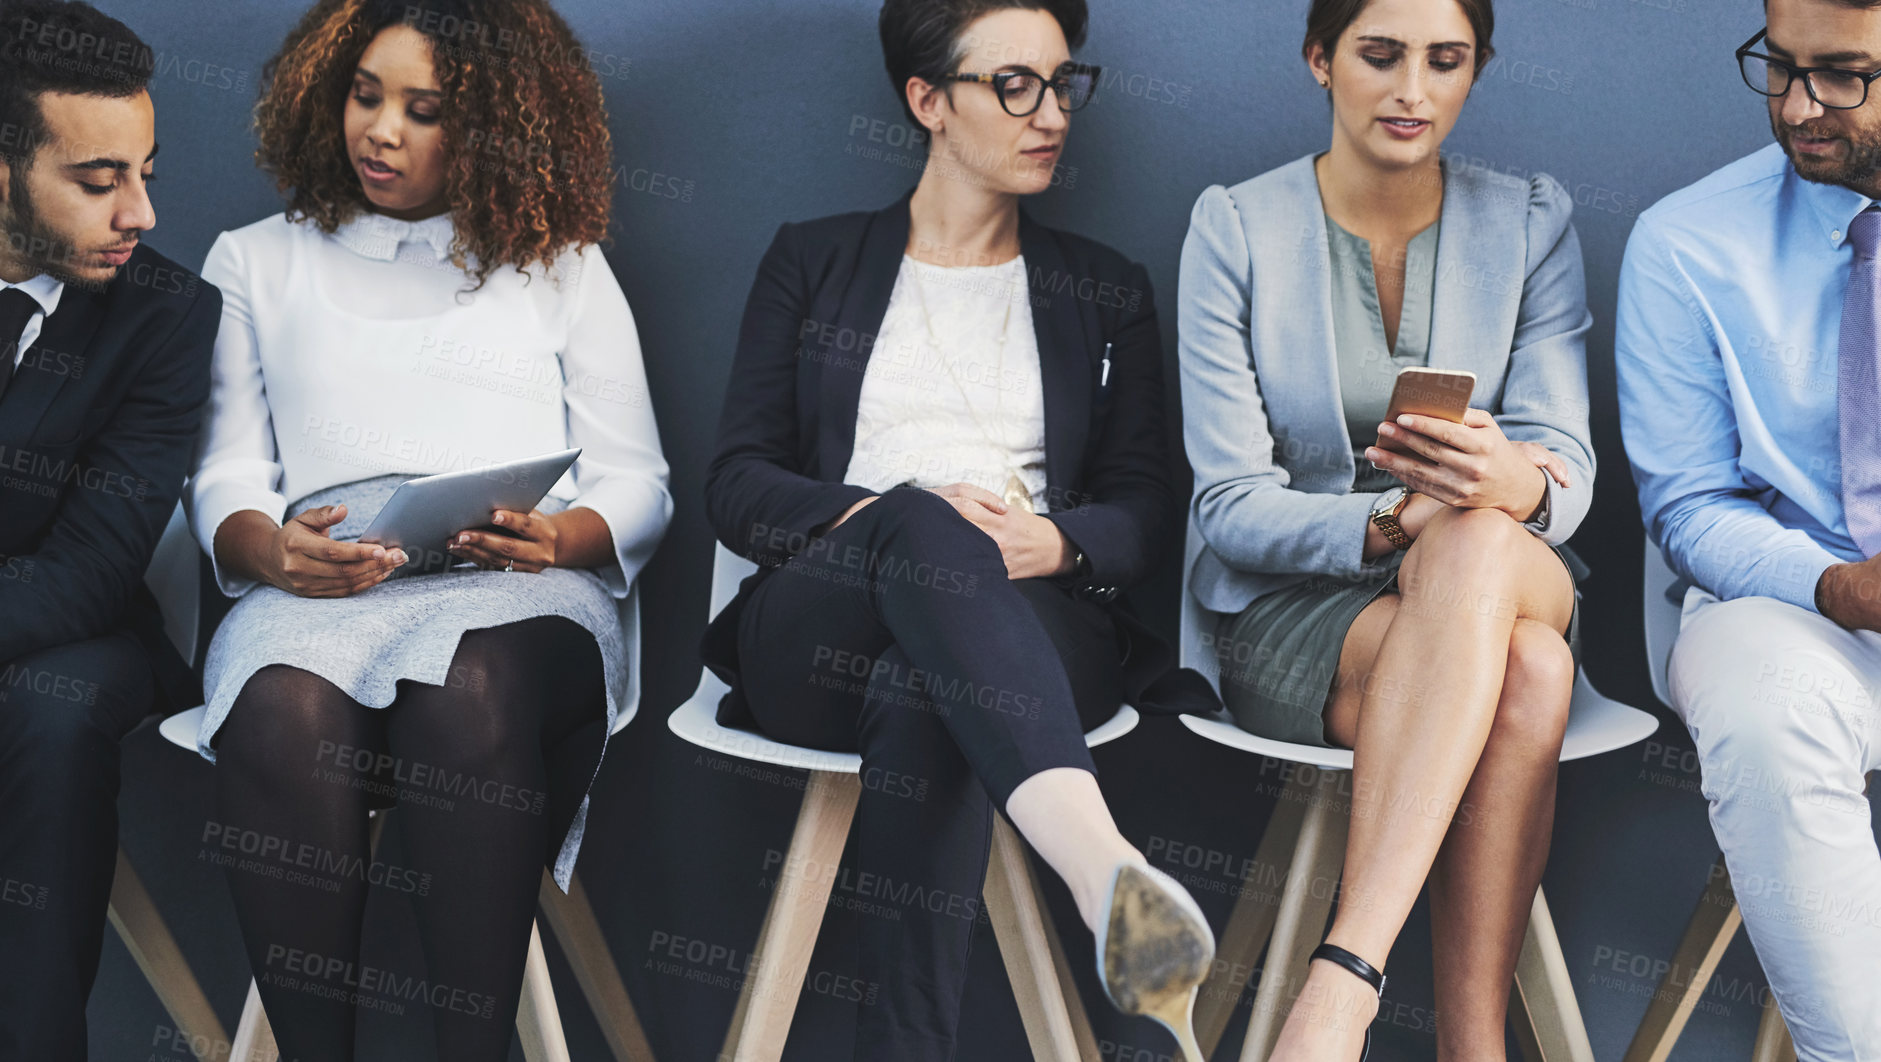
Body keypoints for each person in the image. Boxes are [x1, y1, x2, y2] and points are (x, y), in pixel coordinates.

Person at [701, 0, 1218, 1057]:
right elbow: (739, 482)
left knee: (924, 690)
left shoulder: (1103, 288)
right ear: (927, 100)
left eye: (1063, 83)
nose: (1052, 115)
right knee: (918, 522)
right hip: (819, 626)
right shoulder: (812, 262)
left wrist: (1059, 546)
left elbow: (1146, 505)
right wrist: (894, 518)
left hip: (1030, 625)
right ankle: (1100, 865)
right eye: (1014, 86)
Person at [181, 0, 671, 1058]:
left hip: (517, 592)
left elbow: (638, 481)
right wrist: (272, 551)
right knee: (278, 709)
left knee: (469, 688)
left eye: (423, 108)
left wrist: (565, 537)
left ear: (495, 124)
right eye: (365, 94)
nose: (380, 129)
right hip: (319, 594)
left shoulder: (563, 263)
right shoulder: (254, 262)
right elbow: (224, 473)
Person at [1178, 0, 1596, 1057]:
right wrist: (1383, 524)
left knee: (1476, 538)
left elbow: (1566, 468)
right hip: (1302, 610)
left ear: (1475, 70)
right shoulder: (1234, 226)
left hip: (1500, 566)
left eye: (1445, 60)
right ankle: (1473, 1047)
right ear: (1320, 59)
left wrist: (1509, 478)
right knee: (1533, 678)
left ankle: (1341, 984)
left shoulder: (1534, 218)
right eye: (1381, 55)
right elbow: (1229, 506)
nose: (1414, 90)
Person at [1617, 0, 1881, 1053]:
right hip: (1795, 610)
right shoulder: (1687, 243)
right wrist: (1841, 588)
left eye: (1845, 75)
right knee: (1766, 707)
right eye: (1779, 66)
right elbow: (1687, 502)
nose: (1799, 106)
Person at [0, 3, 219, 1058]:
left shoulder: (167, 313)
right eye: (99, 182)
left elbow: (90, 570)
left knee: (55, 704)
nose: (139, 213)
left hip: (80, 628)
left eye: (146, 173)